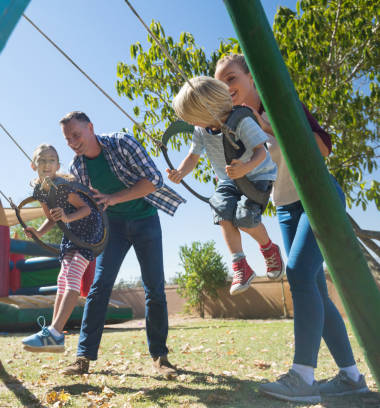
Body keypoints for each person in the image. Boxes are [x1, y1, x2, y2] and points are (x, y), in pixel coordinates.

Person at [215, 53, 369, 403]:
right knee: (312, 287)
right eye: (220, 83)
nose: (227, 87)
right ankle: (351, 377)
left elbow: (322, 148)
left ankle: (302, 376)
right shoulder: (234, 126)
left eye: (231, 78)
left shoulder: (280, 105)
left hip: (318, 196)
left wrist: (269, 126)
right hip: (286, 209)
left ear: (251, 77)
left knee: (299, 273)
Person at [59, 111, 184, 376]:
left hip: (145, 220)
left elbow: (155, 180)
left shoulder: (122, 143)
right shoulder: (77, 167)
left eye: (76, 135)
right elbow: (87, 206)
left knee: (154, 288)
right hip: (112, 229)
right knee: (99, 286)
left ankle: (160, 357)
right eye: (68, 138)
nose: (73, 141)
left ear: (91, 127)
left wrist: (114, 198)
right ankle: (83, 357)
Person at [168, 76, 284, 296]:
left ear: (206, 111)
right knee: (222, 213)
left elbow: (261, 152)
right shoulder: (201, 130)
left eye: (193, 117)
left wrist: (244, 168)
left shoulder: (241, 122)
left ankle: (269, 249)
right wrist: (180, 172)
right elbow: (193, 157)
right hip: (228, 179)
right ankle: (240, 264)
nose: (192, 123)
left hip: (258, 174)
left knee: (246, 219)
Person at [21, 144, 103, 353]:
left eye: (51, 160)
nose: (47, 164)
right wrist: (38, 233)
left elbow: (86, 209)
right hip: (71, 234)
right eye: (42, 160)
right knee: (62, 279)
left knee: (74, 274)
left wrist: (67, 217)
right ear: (33, 165)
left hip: (88, 233)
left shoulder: (61, 186)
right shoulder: (40, 190)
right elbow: (51, 218)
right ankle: (52, 332)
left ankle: (56, 332)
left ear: (58, 165)